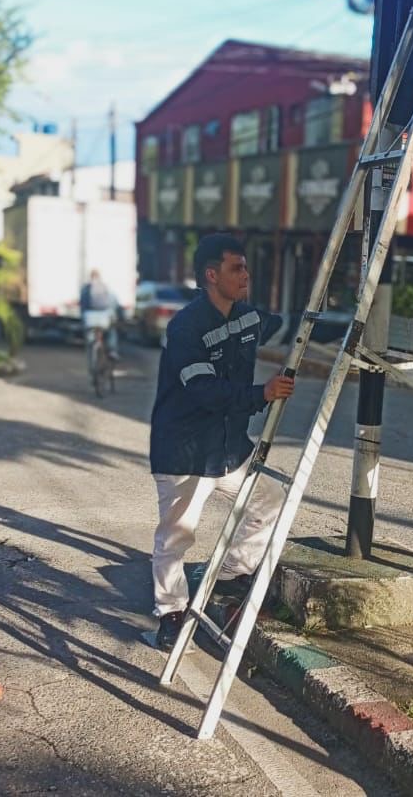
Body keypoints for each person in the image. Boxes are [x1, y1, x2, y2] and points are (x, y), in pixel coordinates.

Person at [148, 234, 293, 648]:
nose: (246, 275)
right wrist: (260, 394)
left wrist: (344, 314)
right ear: (211, 275)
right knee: (176, 536)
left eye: (246, 267)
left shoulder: (247, 317)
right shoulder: (186, 329)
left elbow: (292, 327)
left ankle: (229, 575)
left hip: (229, 449)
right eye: (237, 268)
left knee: (269, 499)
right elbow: (204, 391)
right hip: (185, 452)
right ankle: (171, 613)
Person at [80, 269, 120, 376]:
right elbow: (114, 304)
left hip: (89, 320)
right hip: (104, 319)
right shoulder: (105, 287)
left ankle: (91, 367)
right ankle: (112, 351)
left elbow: (82, 306)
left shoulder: (86, 289)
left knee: (90, 344)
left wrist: (83, 319)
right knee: (111, 331)